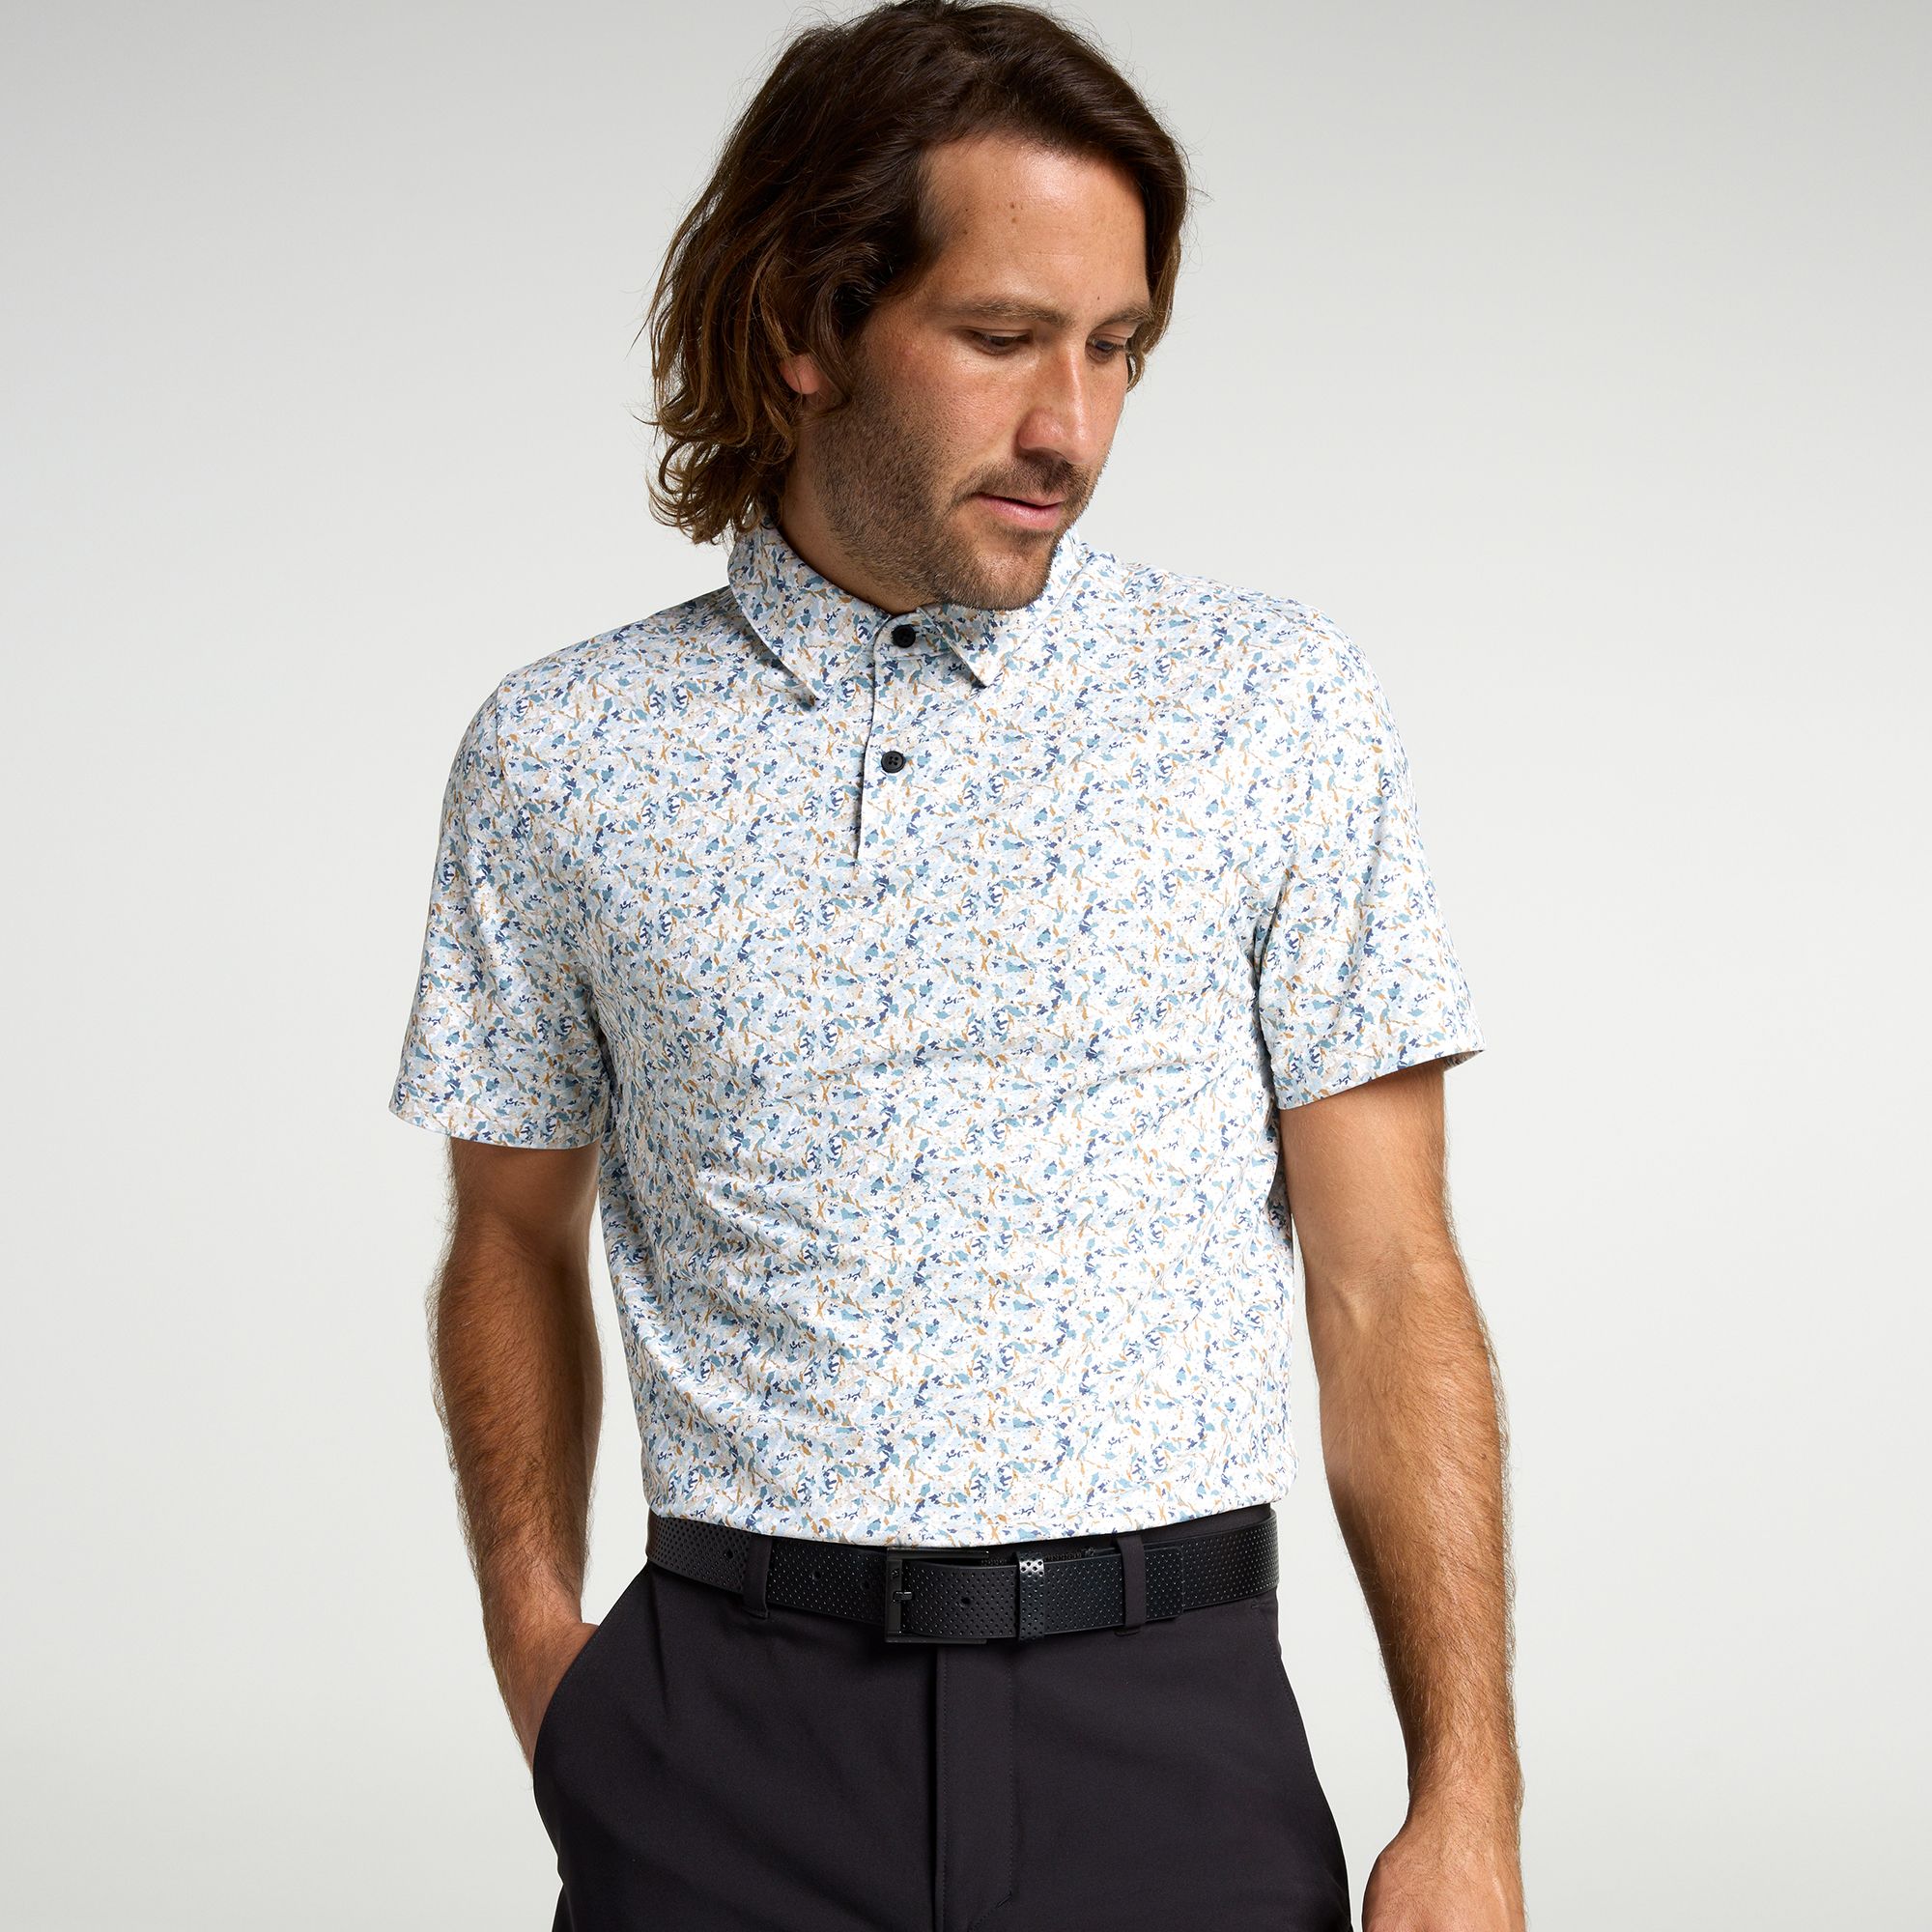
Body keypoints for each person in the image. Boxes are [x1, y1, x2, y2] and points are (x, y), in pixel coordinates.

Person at [385, 3, 1524, 1927]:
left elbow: (1385, 1274)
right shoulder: (563, 752)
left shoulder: (1268, 707)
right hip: (723, 1748)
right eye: (1001, 337)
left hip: (1164, 1740)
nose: (1070, 425)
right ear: (804, 327)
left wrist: (1466, 1798)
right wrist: (541, 1651)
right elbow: (506, 1233)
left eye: (1115, 347)